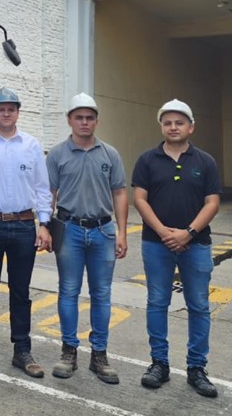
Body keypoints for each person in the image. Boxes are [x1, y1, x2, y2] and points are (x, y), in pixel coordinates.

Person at [131, 99, 221, 398]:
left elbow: (213, 203)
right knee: (157, 302)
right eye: (167, 122)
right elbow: (140, 199)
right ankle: (159, 363)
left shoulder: (205, 161)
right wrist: (163, 232)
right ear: (162, 126)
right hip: (156, 245)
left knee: (198, 305)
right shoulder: (147, 160)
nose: (173, 127)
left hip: (196, 245)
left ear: (190, 127)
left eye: (179, 122)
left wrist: (188, 233)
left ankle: (197, 368)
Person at [0, 88, 52, 379]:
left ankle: (22, 350)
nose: (6, 113)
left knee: (21, 291)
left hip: (22, 225)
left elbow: (42, 189)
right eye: (0, 109)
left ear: (18, 112)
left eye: (11, 109)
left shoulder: (30, 146)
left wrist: (44, 224)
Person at [47, 92, 127, 383]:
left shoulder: (110, 154)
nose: (84, 122)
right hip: (69, 230)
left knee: (101, 295)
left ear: (96, 121)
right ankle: (69, 352)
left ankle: (100, 355)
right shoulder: (57, 155)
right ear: (69, 120)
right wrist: (44, 226)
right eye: (78, 117)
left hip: (103, 231)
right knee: (68, 291)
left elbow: (119, 192)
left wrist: (121, 232)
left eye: (89, 117)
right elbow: (49, 195)